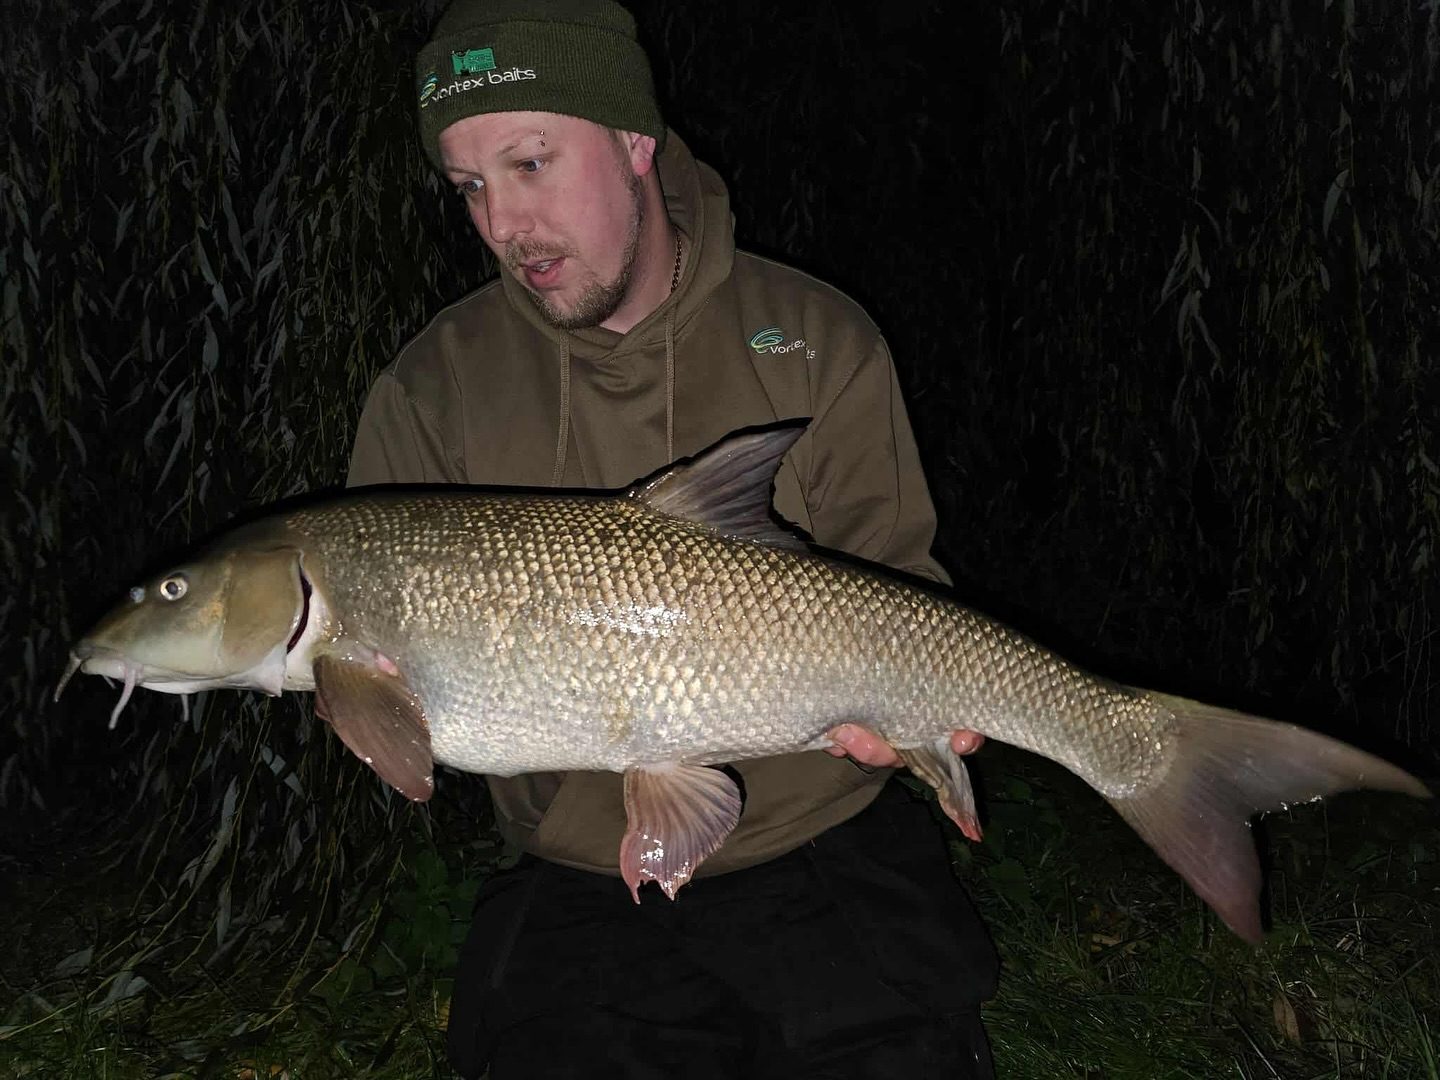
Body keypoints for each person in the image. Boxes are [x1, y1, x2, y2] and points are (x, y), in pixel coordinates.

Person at [348, 1, 1000, 1075]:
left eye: (532, 163)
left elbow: (894, 575)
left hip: (821, 842)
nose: (506, 223)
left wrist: (914, 718)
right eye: (471, 186)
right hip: (583, 860)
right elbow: (397, 713)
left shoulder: (816, 338)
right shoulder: (431, 388)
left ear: (636, 143)